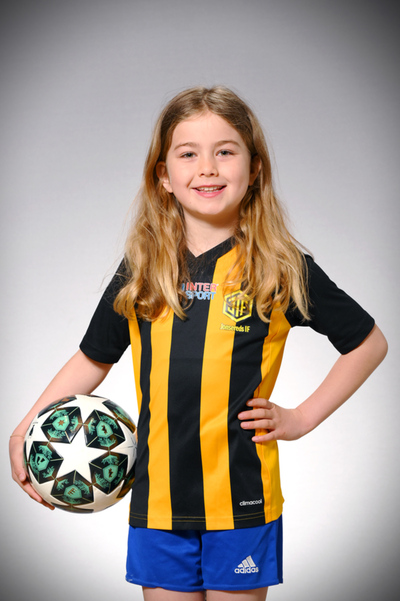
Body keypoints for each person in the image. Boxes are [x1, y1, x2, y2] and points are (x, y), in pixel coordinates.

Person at [10, 86, 387, 600]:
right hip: (158, 502)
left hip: (242, 499)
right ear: (163, 176)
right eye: (188, 154)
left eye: (225, 151)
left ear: (255, 170)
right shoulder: (143, 269)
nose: (207, 168)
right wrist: (24, 430)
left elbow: (368, 343)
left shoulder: (278, 267)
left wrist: (301, 418)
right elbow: (92, 358)